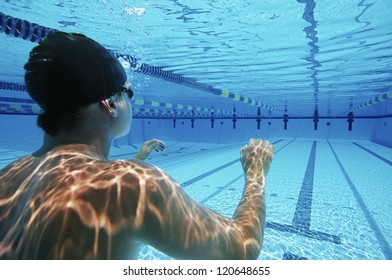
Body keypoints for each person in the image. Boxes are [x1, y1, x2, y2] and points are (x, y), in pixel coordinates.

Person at [0, 31, 274, 260]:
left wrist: (138, 158)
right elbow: (242, 248)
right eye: (128, 92)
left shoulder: (9, 175)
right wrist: (256, 175)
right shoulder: (138, 186)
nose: (131, 101)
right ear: (109, 104)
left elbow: (80, 185)